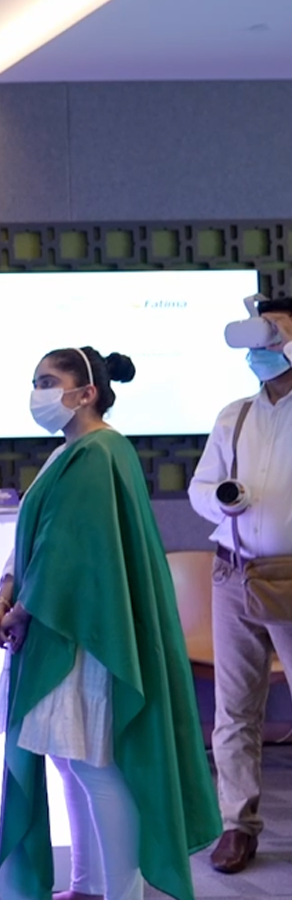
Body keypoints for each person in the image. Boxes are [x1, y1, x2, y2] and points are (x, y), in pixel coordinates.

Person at [0, 346, 220, 900]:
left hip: (84, 634)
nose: (37, 393)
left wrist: (20, 610)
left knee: (94, 766)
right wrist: (3, 596)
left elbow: (67, 552)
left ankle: (122, 893)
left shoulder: (100, 452)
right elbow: (35, 542)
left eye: (48, 382)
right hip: (60, 627)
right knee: (70, 761)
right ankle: (87, 885)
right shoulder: (68, 453)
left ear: (86, 393)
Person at [188, 301, 292, 875]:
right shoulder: (236, 415)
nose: (262, 348)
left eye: (274, 336)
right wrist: (223, 499)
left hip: (291, 575)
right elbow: (201, 486)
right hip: (233, 572)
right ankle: (237, 824)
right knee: (235, 709)